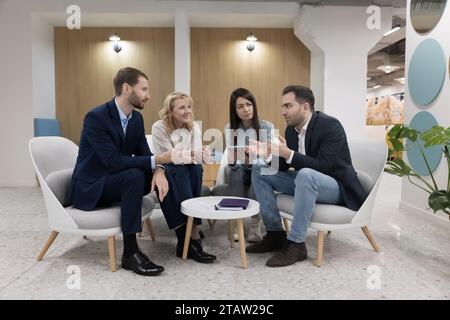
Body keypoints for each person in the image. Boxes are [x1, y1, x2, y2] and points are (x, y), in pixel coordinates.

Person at [246, 85, 367, 267]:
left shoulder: (330, 125)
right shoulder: (291, 130)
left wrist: (288, 154)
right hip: (307, 181)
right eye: (283, 107)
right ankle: (275, 234)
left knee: (306, 174)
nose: (283, 112)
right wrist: (268, 154)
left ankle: (296, 244)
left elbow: (324, 167)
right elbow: (288, 164)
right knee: (259, 170)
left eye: (288, 106)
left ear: (305, 107)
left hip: (337, 186)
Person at [69, 67, 172, 277]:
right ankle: (130, 253)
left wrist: (160, 169)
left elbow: (145, 154)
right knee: (134, 176)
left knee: (165, 173)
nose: (148, 95)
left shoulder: (135, 119)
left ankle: (185, 235)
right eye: (144, 89)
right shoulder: (96, 117)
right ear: (126, 88)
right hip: (91, 187)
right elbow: (114, 162)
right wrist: (158, 159)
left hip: (114, 182)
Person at [151, 91, 216, 263]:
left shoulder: (193, 127)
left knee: (196, 170)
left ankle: (191, 232)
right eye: (181, 108)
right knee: (178, 170)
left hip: (187, 169)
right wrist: (193, 154)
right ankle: (187, 238)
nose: (188, 111)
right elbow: (169, 157)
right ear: (170, 111)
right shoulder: (159, 127)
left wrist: (205, 154)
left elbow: (194, 157)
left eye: (189, 106)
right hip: (164, 169)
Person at [212, 88, 273, 243]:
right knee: (236, 170)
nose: (246, 109)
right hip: (239, 169)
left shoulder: (266, 127)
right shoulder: (230, 127)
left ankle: (254, 224)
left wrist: (250, 158)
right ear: (235, 110)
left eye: (248, 104)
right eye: (240, 106)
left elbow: (268, 158)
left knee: (257, 171)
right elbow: (232, 159)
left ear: (253, 105)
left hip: (258, 169)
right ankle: (236, 221)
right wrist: (244, 158)